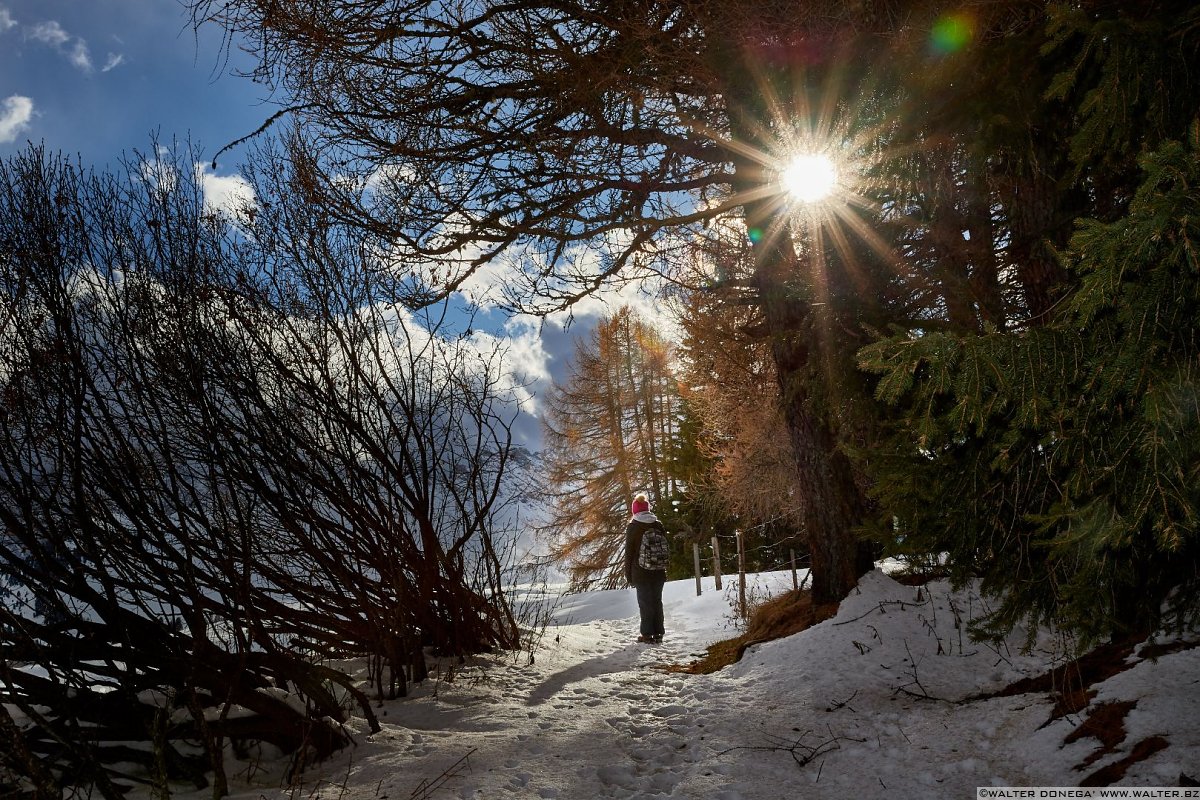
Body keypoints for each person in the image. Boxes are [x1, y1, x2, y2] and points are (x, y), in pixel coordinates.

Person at [624, 493, 667, 644]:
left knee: (645, 603)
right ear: (647, 509)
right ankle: (659, 633)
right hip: (659, 571)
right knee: (657, 601)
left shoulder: (633, 527)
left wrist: (628, 575)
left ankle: (647, 634)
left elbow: (629, 553)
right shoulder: (658, 524)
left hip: (640, 571)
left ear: (634, 510)